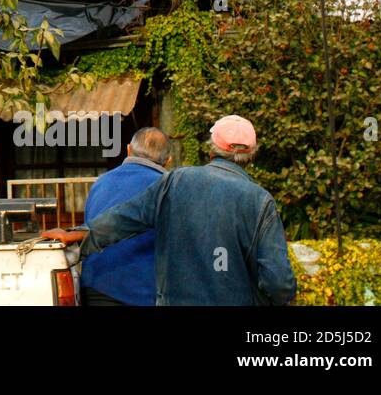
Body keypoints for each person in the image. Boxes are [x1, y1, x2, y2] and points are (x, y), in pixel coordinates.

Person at [44, 114, 297, 306]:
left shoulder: (176, 181)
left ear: (211, 149)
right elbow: (279, 284)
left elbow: (125, 218)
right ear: (251, 155)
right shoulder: (261, 202)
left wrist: (76, 234)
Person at [77, 127, 172, 306]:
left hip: (95, 285)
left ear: (128, 149)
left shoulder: (101, 182)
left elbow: (91, 227)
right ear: (168, 160)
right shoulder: (166, 187)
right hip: (142, 291)